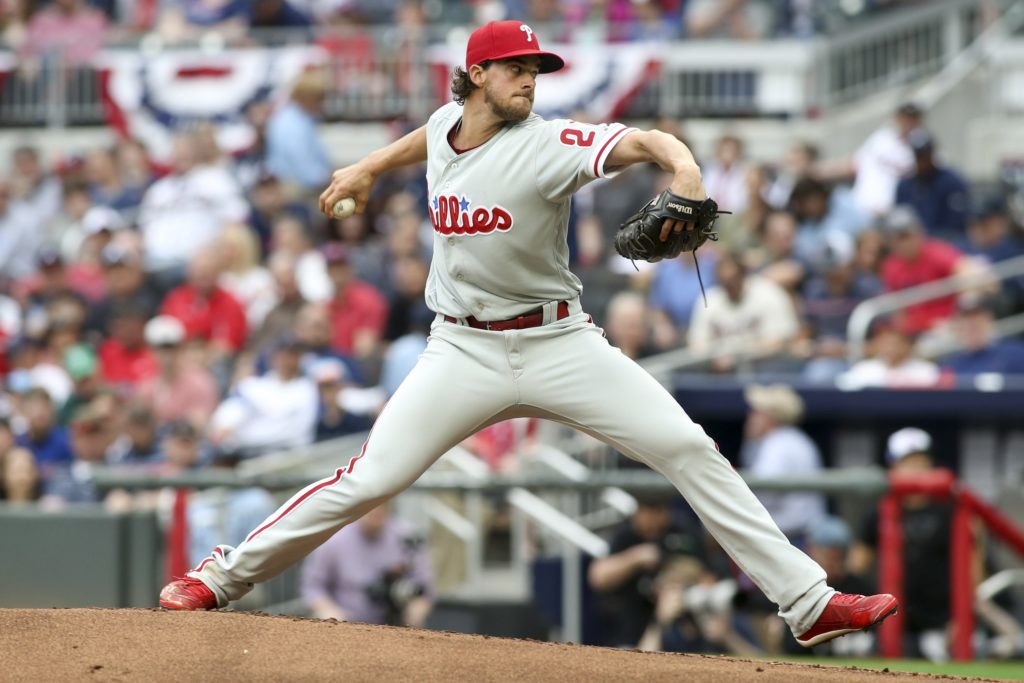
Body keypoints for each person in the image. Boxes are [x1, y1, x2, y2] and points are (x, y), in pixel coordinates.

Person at [161, 20, 898, 649]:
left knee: (687, 446)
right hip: (461, 348)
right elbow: (430, 138)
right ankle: (218, 577)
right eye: (517, 67)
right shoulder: (448, 131)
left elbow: (644, 142)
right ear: (476, 74)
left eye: (537, 69)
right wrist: (367, 165)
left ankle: (807, 604)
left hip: (559, 343)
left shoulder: (549, 143)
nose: (531, 79)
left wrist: (689, 170)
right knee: (371, 478)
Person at [850, 428, 957, 661]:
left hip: (940, 625)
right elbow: (856, 570)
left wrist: (960, 620)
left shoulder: (951, 510)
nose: (916, 469)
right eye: (908, 462)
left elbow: (970, 572)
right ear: (893, 467)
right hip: (889, 624)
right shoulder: (878, 511)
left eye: (921, 461)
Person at [588, 492, 710, 647]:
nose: (650, 518)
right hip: (632, 629)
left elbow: (708, 576)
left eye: (656, 511)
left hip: (682, 620)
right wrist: (637, 557)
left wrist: (676, 578)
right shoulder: (627, 536)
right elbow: (597, 577)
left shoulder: (684, 532)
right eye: (645, 511)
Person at [301, 501, 434, 627]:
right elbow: (313, 586)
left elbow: (425, 586)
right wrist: (329, 612)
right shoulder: (334, 538)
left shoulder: (407, 537)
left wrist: (417, 608)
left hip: (396, 622)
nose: (375, 514)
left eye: (381, 508)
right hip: (346, 623)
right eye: (370, 508)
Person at [740, 384, 826, 542]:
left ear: (770, 417)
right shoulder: (797, 439)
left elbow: (763, 496)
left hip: (790, 537)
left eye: (756, 412)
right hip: (801, 535)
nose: (750, 417)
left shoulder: (778, 444)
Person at [894, 129, 970, 243]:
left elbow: (957, 225)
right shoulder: (905, 185)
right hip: (913, 247)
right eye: (918, 156)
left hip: (947, 244)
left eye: (925, 155)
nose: (922, 161)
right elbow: (900, 222)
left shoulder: (951, 181)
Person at [265, 71, 333, 196]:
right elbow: (302, 162)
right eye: (319, 100)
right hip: (296, 188)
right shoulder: (292, 124)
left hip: (297, 184)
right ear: (309, 99)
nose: (322, 105)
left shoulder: (297, 118)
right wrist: (327, 180)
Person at [942, 294, 1024, 377]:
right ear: (957, 328)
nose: (971, 324)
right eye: (965, 322)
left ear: (989, 321)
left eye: (977, 320)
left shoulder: (1014, 353)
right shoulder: (950, 367)